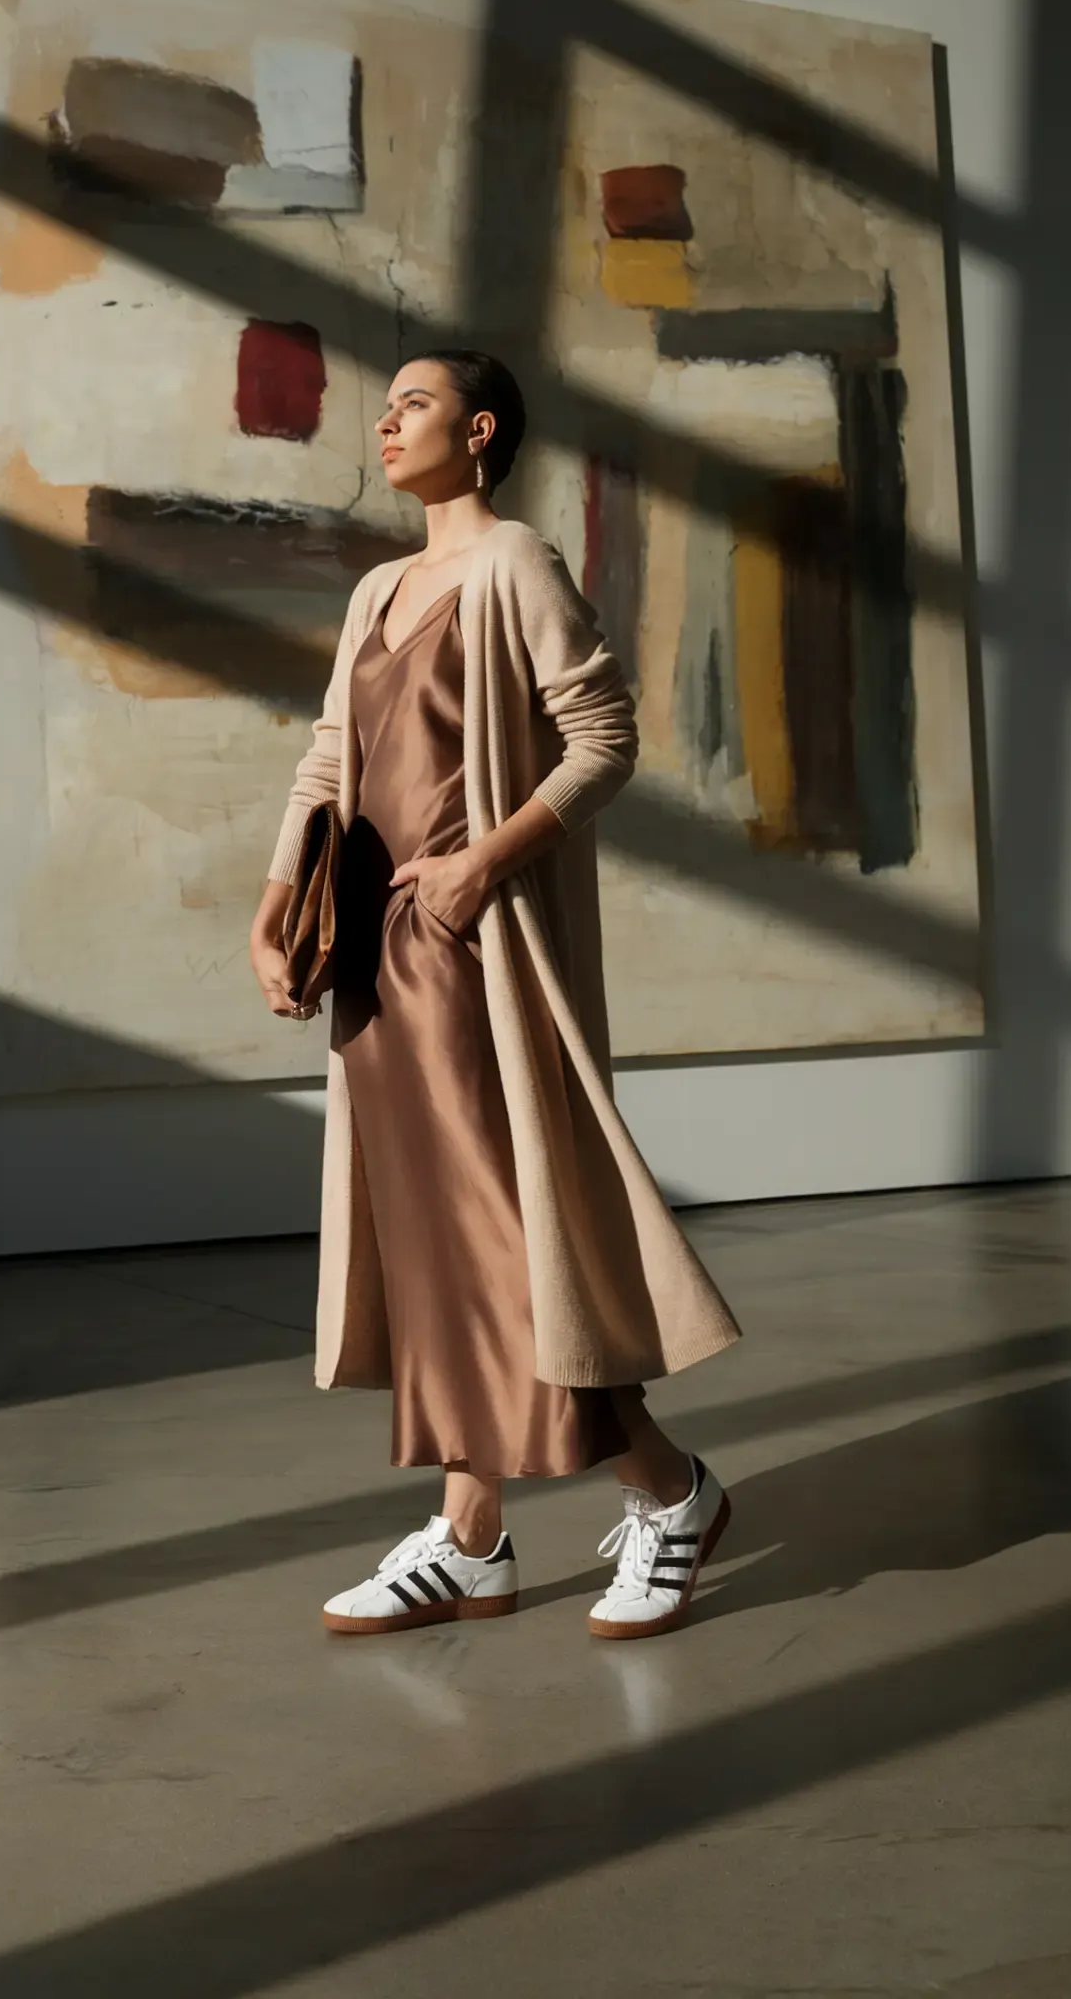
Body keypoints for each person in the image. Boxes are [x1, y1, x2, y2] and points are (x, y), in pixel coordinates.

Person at [249, 351, 740, 1641]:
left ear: (477, 431)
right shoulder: (376, 590)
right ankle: (472, 1535)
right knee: (431, 1247)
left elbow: (604, 740)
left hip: (470, 951)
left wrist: (481, 864)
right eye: (384, 406)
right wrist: (276, 898)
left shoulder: (516, 563)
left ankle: (669, 1491)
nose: (384, 421)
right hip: (374, 959)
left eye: (411, 404)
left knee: (505, 1241)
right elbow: (329, 758)